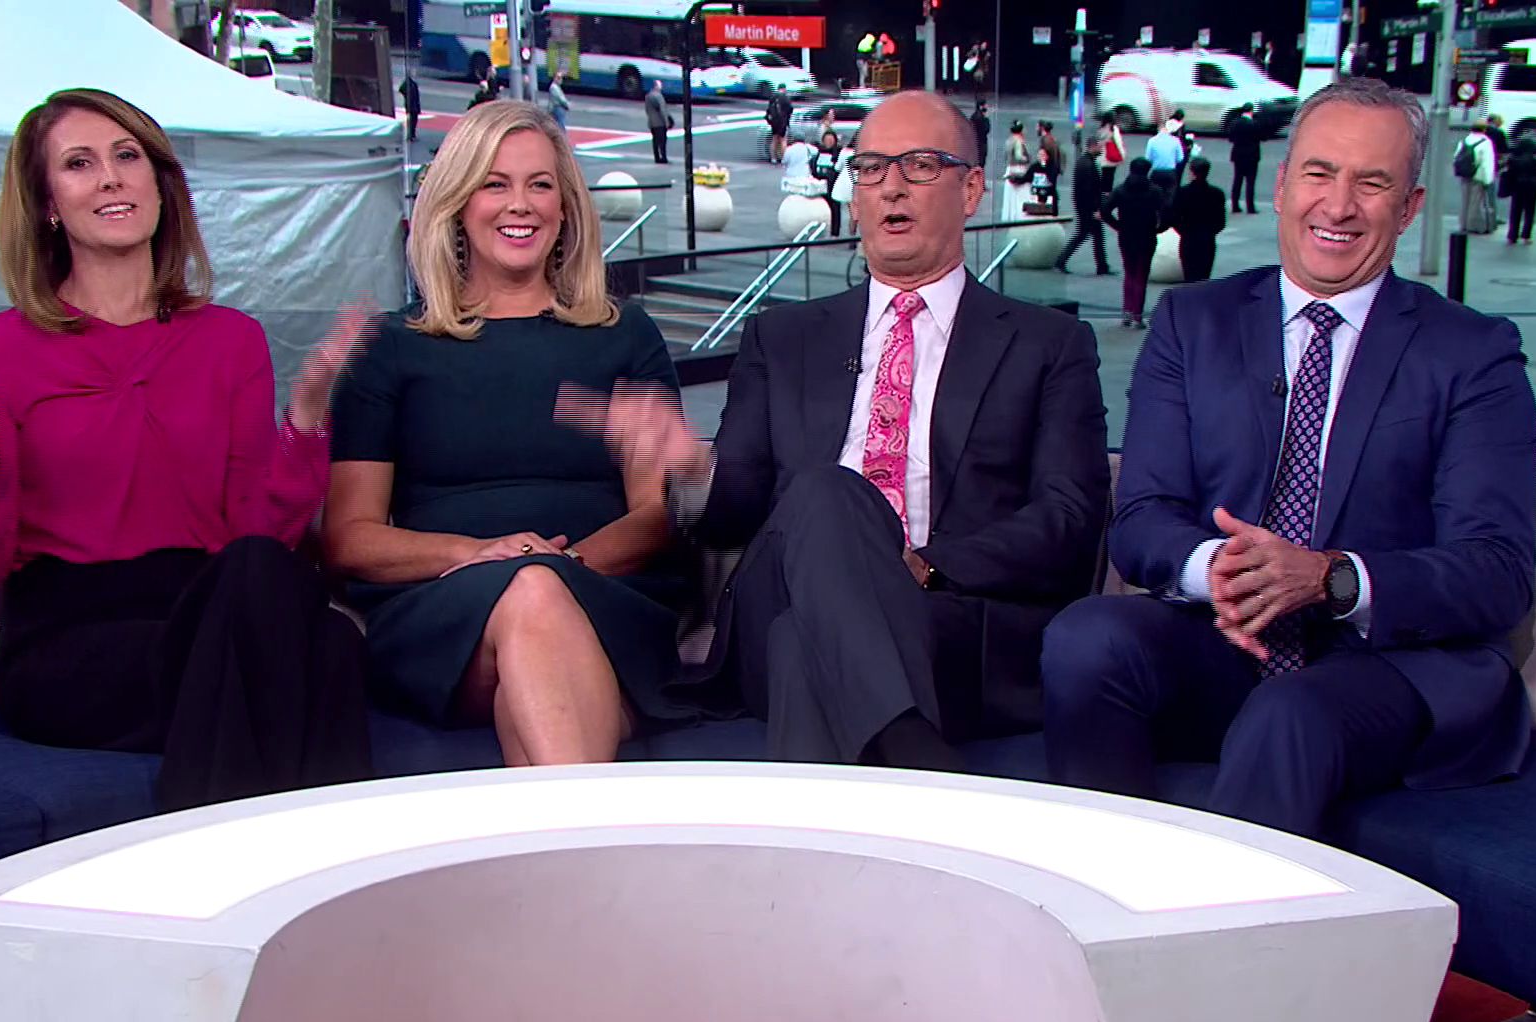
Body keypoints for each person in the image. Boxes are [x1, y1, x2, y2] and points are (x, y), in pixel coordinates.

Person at [1039, 79, 1536, 837]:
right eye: (1319, 173)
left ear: (1408, 207)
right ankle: (1104, 881)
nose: (1337, 206)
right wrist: (1224, 570)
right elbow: (1142, 519)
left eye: (1371, 184)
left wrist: (1328, 578)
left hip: (1390, 663)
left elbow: (1497, 571)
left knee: (1289, 712)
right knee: (1087, 638)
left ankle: (1220, 918)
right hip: (1227, 638)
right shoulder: (1191, 324)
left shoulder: (1473, 353)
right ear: (1281, 187)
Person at [567, 91, 1109, 769]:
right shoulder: (783, 337)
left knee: (804, 647)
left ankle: (899, 760)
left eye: (919, 165)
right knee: (826, 492)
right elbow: (735, 513)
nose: (890, 188)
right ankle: (921, 763)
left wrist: (926, 565)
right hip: (780, 592)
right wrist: (692, 470)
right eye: (871, 168)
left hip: (948, 619)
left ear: (971, 189)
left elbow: (1069, 519)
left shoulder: (1048, 345)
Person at [0, 88, 375, 812]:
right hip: (71, 644)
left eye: (127, 156)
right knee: (322, 651)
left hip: (202, 610)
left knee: (305, 622)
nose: (111, 178)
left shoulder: (229, 340)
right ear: (47, 203)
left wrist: (306, 420)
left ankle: (217, 857)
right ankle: (324, 866)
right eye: (79, 164)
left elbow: (258, 537)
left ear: (160, 186)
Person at [324, 101, 687, 767]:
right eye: (495, 184)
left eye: (539, 184)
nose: (520, 205)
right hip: (443, 608)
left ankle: (570, 827)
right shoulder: (387, 348)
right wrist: (483, 555)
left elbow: (656, 515)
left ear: (565, 207)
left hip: (605, 592)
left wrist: (561, 567)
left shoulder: (626, 334)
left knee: (537, 609)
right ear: (458, 204)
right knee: (532, 596)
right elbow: (350, 538)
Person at [1102, 157, 1166, 328]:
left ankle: (1127, 311)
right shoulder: (1155, 191)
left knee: (1129, 272)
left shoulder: (1121, 190)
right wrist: (1159, 228)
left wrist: (1117, 226)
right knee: (1141, 275)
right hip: (1147, 234)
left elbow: (1105, 210)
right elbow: (1166, 213)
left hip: (1126, 234)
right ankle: (1138, 314)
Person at [1054, 137, 1111, 276]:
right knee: (1083, 235)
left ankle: (1102, 266)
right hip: (1088, 208)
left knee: (1097, 236)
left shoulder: (1085, 162)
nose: (1101, 149)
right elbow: (1088, 190)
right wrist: (1095, 209)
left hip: (1085, 206)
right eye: (1100, 147)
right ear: (1093, 146)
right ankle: (1061, 260)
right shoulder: (1088, 165)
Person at [1169, 157, 1227, 283]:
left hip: (1188, 239)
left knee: (1189, 275)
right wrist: (1210, 232)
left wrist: (1184, 231)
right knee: (1204, 276)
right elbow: (1221, 221)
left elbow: (1174, 218)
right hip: (1207, 240)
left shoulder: (1183, 192)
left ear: (1192, 172)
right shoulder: (1216, 193)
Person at [1501, 136, 1536, 245]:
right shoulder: (1534, 160)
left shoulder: (1513, 159)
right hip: (1531, 187)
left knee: (1515, 212)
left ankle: (1512, 236)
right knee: (1529, 212)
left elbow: (1508, 172)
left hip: (1517, 187)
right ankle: (1526, 236)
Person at [1455, 121, 1497, 234]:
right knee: (1475, 202)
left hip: (1465, 174)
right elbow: (1487, 163)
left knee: (1465, 200)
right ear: (1484, 130)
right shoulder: (1486, 142)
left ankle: (1463, 223)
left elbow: (1457, 156)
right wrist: (1488, 180)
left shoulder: (1465, 140)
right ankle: (1472, 225)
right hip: (1478, 176)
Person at [810, 129, 849, 235]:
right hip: (821, 183)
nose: (829, 143)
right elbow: (813, 164)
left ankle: (835, 231)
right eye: (827, 140)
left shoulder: (839, 153)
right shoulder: (819, 152)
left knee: (835, 209)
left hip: (834, 184)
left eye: (831, 140)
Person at [1227, 103, 1262, 213]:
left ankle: (1235, 205)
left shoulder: (1235, 123)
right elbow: (1261, 136)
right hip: (1252, 155)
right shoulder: (1254, 124)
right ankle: (1250, 207)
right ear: (1251, 111)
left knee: (1237, 180)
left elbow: (1230, 138)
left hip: (1238, 155)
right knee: (1250, 182)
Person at [999, 121, 1032, 220]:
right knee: (1022, 194)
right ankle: (1020, 215)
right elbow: (1019, 156)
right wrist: (1027, 159)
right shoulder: (1018, 141)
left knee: (1011, 195)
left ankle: (1010, 215)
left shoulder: (1009, 140)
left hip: (1010, 168)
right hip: (1019, 168)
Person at [1145, 120, 1185, 199]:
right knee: (1169, 196)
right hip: (1170, 172)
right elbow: (1180, 158)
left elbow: (1148, 159)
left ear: (1158, 129)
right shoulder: (1175, 140)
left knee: (1155, 196)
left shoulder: (1152, 141)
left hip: (1156, 172)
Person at [1035, 119, 1063, 207]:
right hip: (1053, 169)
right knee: (1052, 190)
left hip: (1048, 169)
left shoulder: (1045, 140)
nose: (1036, 129)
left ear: (1042, 128)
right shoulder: (1052, 139)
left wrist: (1041, 168)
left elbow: (1044, 156)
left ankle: (1048, 208)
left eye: (1037, 127)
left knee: (1046, 191)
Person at [1098, 111, 1127, 193]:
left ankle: (1103, 193)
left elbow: (1099, 142)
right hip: (1111, 157)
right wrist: (1122, 155)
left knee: (1104, 176)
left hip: (1103, 157)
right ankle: (1107, 193)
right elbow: (1119, 143)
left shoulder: (1101, 129)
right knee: (1110, 177)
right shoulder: (1114, 129)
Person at [765, 86, 793, 164]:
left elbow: (768, 110)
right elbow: (790, 109)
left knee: (774, 140)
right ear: (784, 89)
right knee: (783, 140)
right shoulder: (786, 98)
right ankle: (784, 158)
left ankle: (773, 158)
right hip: (783, 121)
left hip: (774, 122)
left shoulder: (773, 97)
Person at [645, 81, 672, 164]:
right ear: (657, 86)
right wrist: (666, 122)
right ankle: (663, 157)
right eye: (660, 85)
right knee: (662, 141)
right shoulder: (658, 96)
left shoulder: (648, 96)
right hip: (660, 122)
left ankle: (657, 157)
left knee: (655, 141)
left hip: (652, 122)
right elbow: (662, 110)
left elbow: (647, 110)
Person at [970, 99, 991, 167]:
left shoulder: (973, 116)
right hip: (981, 143)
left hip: (974, 143)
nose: (987, 106)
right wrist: (986, 119)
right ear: (981, 106)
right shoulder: (981, 118)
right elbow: (986, 130)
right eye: (985, 105)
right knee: (980, 163)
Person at [401, 73, 422, 143]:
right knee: (412, 121)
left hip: (413, 105)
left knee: (413, 121)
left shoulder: (412, 84)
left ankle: (412, 135)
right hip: (412, 106)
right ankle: (411, 135)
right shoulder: (410, 84)